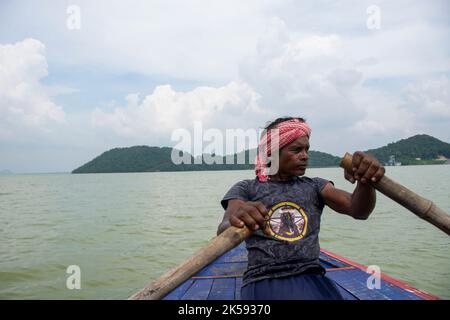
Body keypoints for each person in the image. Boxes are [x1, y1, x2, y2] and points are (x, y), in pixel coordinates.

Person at [217, 117, 385, 300]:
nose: (305, 155)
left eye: (306, 149)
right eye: (296, 150)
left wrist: (365, 181)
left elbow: (358, 210)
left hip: (311, 276)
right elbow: (224, 227)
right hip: (264, 278)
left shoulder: (315, 186)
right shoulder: (246, 188)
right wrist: (239, 217)